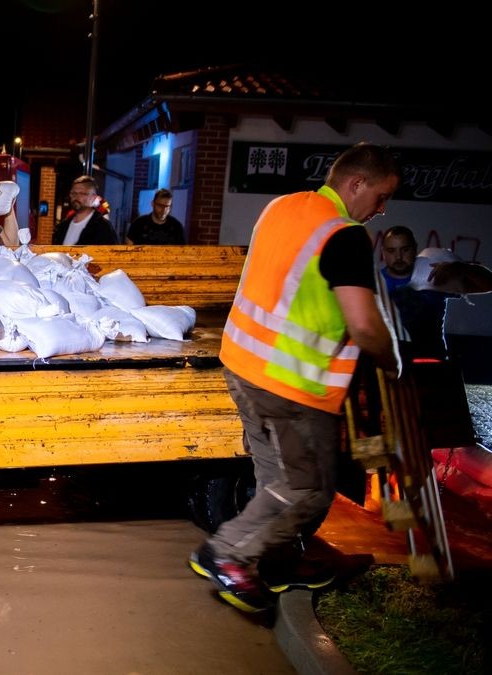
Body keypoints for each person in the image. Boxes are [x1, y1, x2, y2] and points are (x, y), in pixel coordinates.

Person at [191, 142, 402, 613]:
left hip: (243, 365)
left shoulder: (281, 207)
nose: (382, 209)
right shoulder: (344, 236)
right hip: (292, 386)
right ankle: (229, 555)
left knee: (276, 478)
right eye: (382, 195)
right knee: (309, 487)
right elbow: (365, 325)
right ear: (356, 183)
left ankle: (274, 560)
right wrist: (393, 360)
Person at [379, 225, 492, 360]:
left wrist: (461, 268)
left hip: (431, 362)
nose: (398, 257)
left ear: (415, 248)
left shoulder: (433, 273)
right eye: (391, 251)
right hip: (388, 362)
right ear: (383, 252)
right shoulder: (373, 282)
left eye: (405, 249)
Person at [51, 175, 118, 245]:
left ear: (93, 197)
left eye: (82, 193)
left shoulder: (103, 227)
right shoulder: (63, 226)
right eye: (74, 193)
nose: (76, 197)